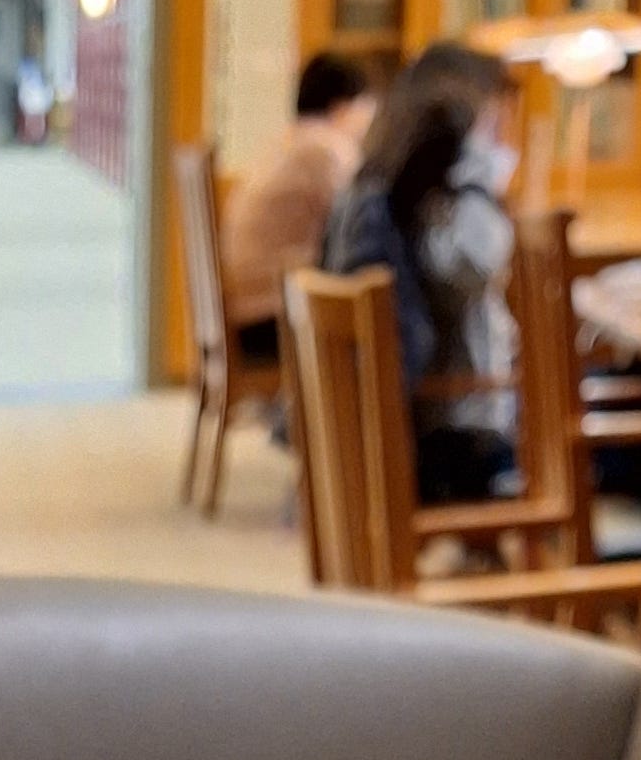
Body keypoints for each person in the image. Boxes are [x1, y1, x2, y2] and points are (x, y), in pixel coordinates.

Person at [322, 43, 522, 503]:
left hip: (412, 428)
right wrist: (480, 171)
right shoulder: (434, 202)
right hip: (451, 443)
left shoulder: (374, 184)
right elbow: (481, 265)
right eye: (493, 123)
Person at [219, 52, 373, 357]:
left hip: (245, 312)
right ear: (344, 108)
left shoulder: (286, 144)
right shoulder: (327, 149)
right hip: (272, 318)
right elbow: (358, 224)